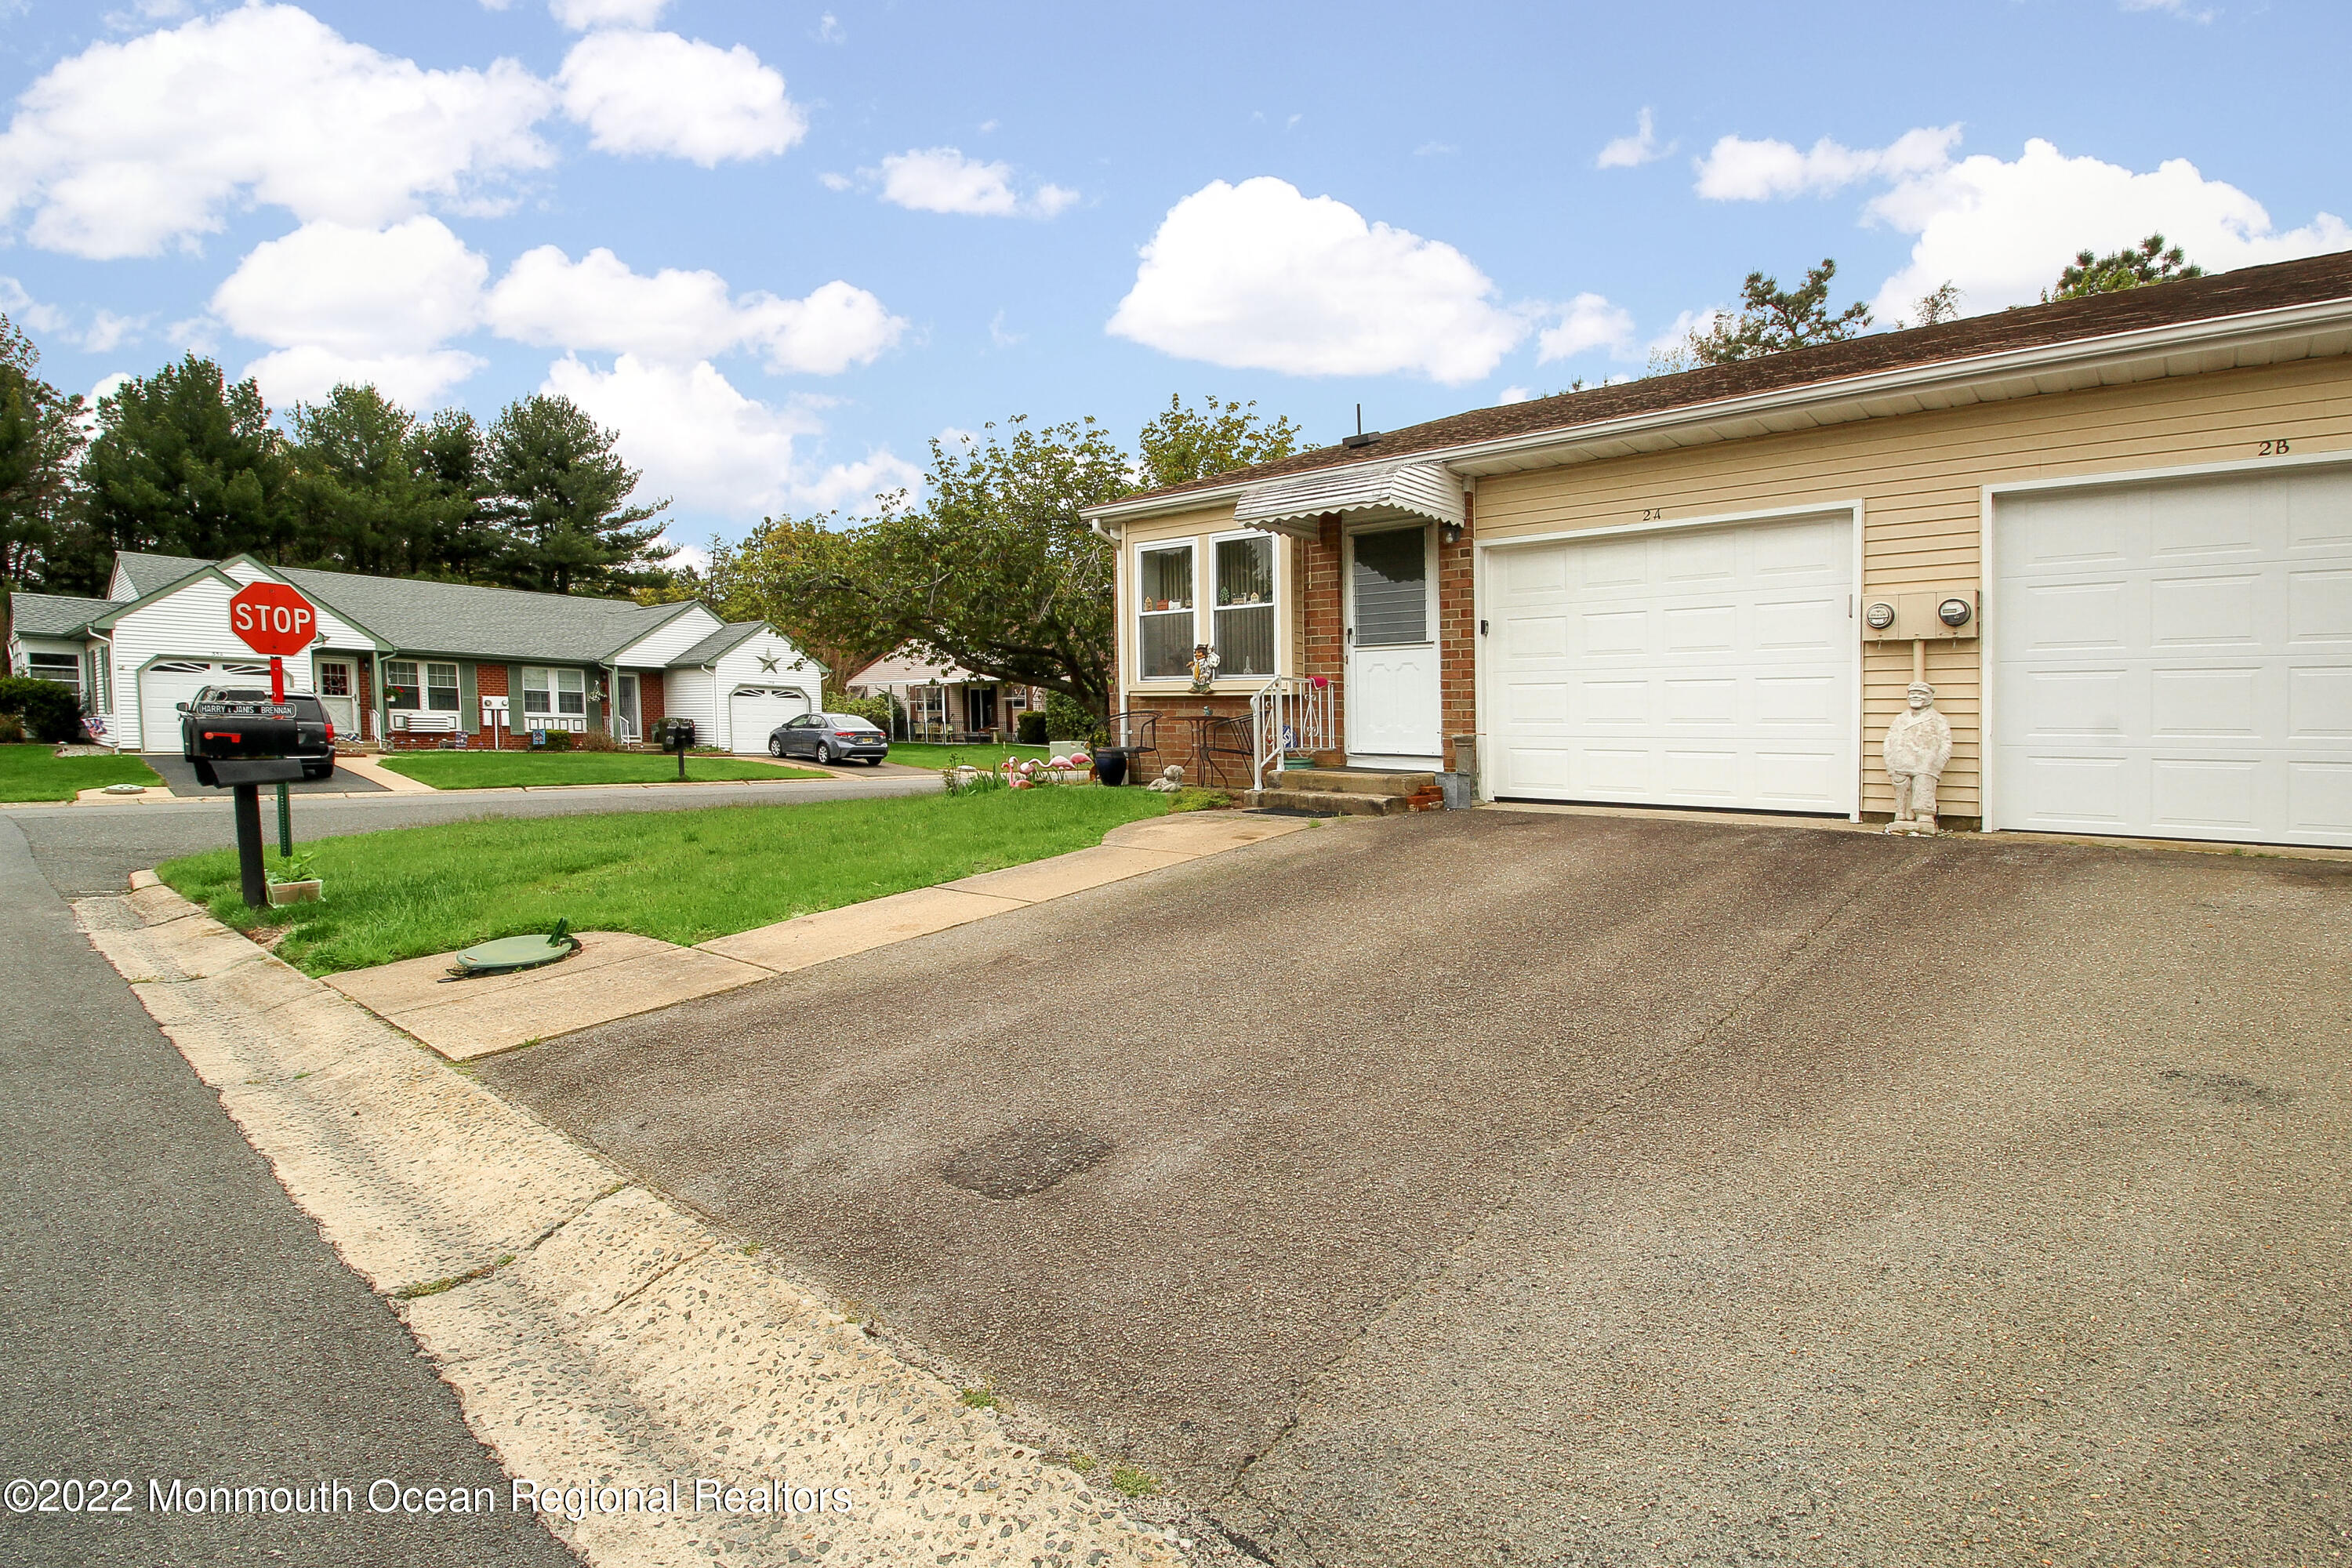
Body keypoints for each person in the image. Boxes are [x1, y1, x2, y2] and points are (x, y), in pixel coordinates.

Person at [1883, 681, 1953, 834]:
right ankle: (1902, 816)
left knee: (1924, 788)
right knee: (1902, 789)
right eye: (1912, 694)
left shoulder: (1938, 719)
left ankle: (1924, 817)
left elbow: (1946, 743)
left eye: (1921, 694)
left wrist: (1937, 763)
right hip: (1901, 762)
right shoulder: (1900, 719)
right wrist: (1890, 761)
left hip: (1925, 764)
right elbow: (1889, 740)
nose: (1915, 696)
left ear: (1929, 698)